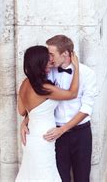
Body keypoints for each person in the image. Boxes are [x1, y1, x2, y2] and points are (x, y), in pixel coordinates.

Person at [21, 35, 96, 182]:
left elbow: (87, 108)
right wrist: (26, 120)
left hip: (81, 133)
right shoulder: (48, 71)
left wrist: (63, 129)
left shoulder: (87, 73)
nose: (49, 59)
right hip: (55, 135)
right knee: (60, 178)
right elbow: (40, 100)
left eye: (51, 54)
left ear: (65, 54)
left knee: (82, 178)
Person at [16, 45, 80, 182]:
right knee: (46, 175)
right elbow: (72, 93)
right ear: (39, 63)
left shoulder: (24, 84)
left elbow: (22, 111)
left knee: (32, 175)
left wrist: (26, 120)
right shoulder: (45, 88)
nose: (50, 63)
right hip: (44, 139)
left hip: (31, 137)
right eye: (47, 60)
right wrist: (77, 69)